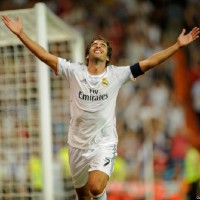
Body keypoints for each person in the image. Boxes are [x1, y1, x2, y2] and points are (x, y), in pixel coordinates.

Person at [1, 15, 199, 200]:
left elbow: (149, 62)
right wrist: (21, 34)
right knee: (83, 196)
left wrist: (177, 46)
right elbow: (44, 56)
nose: (98, 46)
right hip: (77, 145)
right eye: (94, 44)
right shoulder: (74, 71)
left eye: (102, 45)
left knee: (96, 187)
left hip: (103, 143)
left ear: (107, 58)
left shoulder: (116, 74)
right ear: (87, 55)